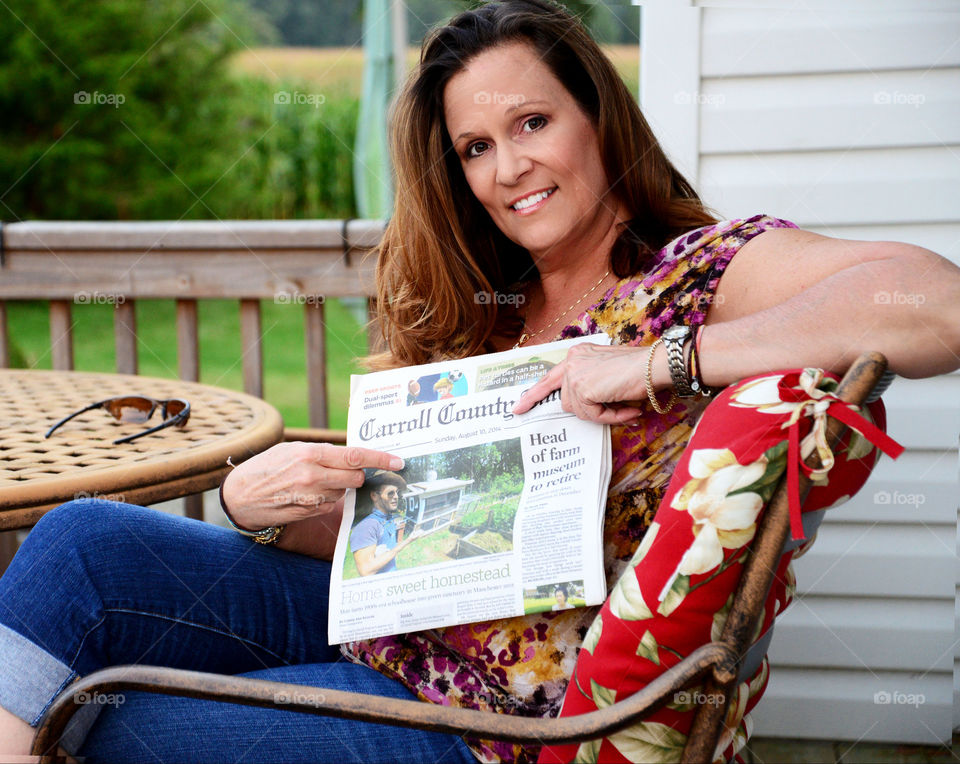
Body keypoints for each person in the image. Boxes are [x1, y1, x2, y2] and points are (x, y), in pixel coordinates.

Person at [1, 0, 958, 761]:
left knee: (99, 724)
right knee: (80, 543)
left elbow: (932, 305)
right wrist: (264, 509)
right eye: (476, 149)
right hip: (379, 628)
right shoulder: (483, 312)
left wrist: (662, 360)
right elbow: (406, 533)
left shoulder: (695, 273)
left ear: (599, 117)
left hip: (495, 722)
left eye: (533, 121)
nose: (510, 169)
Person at [350, 470, 419, 576]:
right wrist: (403, 545)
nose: (396, 496)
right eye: (391, 493)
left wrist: (410, 538)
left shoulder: (387, 519)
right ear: (374, 496)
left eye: (397, 492)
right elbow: (366, 571)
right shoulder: (367, 526)